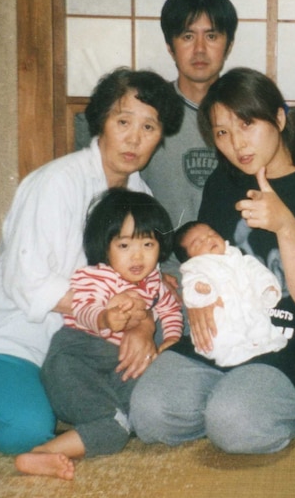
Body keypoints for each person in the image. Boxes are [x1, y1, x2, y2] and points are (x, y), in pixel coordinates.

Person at [0, 67, 182, 457]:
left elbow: (144, 281)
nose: (134, 139)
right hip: (16, 334)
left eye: (149, 128)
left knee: (154, 410)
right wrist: (119, 313)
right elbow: (29, 282)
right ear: (101, 122)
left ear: (159, 138)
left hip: (83, 343)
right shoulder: (56, 183)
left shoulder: (139, 193)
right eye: (123, 121)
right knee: (24, 430)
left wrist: (142, 322)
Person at [130, 67, 295, 454]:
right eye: (222, 132)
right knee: (149, 413)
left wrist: (286, 226)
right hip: (224, 336)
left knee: (235, 422)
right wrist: (197, 296)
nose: (237, 144)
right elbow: (204, 259)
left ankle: (272, 406)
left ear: (280, 119)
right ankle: (239, 398)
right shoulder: (223, 183)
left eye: (247, 124)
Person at [15, 188, 183, 479]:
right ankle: (43, 453)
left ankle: (74, 438)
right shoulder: (96, 276)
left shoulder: (156, 281)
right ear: (105, 247)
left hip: (117, 368)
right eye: (124, 246)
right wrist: (105, 317)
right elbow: (82, 309)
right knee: (113, 426)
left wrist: (171, 340)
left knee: (144, 413)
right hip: (76, 357)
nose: (137, 256)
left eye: (147, 244)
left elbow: (170, 311)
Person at [141, 0, 239, 233]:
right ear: (170, 47)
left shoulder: (246, 114)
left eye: (212, 36)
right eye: (187, 36)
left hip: (234, 266)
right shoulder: (147, 112)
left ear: (228, 46)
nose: (199, 49)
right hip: (156, 266)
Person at [174, 220, 287, 367]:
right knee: (222, 337)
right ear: (189, 258)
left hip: (248, 309)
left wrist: (267, 288)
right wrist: (200, 290)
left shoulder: (241, 258)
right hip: (220, 319)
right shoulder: (195, 269)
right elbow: (190, 290)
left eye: (212, 234)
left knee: (260, 327)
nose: (208, 239)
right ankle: (229, 356)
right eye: (198, 243)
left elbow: (258, 273)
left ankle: (264, 344)